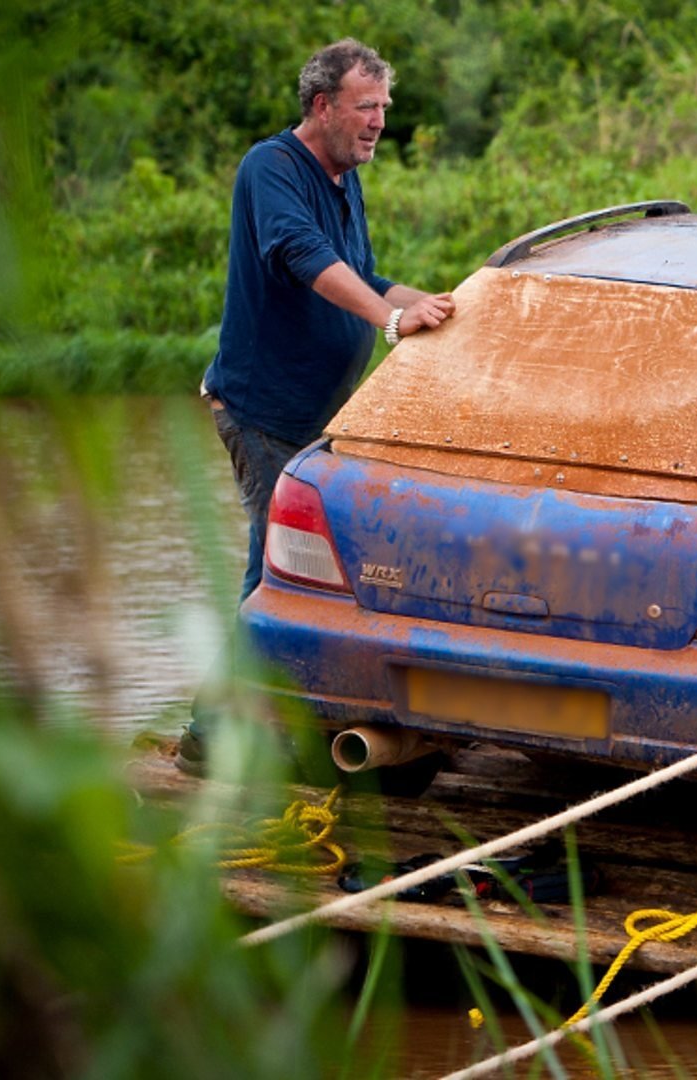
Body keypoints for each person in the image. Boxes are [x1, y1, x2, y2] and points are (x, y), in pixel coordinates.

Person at [182, 39, 454, 773]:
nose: (377, 123)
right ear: (322, 105)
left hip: (320, 423)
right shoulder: (271, 169)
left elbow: (361, 274)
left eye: (384, 110)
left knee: (325, 569)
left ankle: (299, 714)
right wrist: (389, 321)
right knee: (276, 571)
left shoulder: (345, 178)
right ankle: (210, 736)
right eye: (365, 108)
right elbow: (306, 258)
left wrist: (423, 303)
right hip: (265, 412)